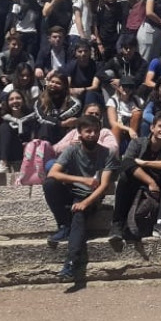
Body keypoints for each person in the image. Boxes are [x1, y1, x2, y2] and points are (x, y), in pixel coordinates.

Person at [43, 114, 119, 282]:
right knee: (50, 184)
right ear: (79, 133)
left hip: (90, 196)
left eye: (95, 131)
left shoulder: (107, 153)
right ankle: (63, 225)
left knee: (78, 217)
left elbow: (104, 185)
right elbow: (53, 173)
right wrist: (82, 179)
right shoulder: (72, 150)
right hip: (72, 191)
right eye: (88, 131)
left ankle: (70, 263)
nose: (92, 134)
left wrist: (85, 202)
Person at [109, 111, 161, 241]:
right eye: (160, 126)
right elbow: (127, 162)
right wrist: (150, 182)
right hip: (139, 182)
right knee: (125, 177)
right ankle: (117, 224)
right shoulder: (138, 143)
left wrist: (145, 163)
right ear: (152, 128)